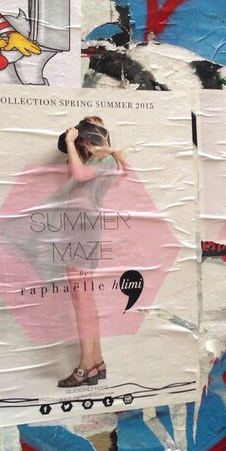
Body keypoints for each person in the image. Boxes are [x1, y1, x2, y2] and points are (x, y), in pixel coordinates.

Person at [56, 117, 128, 388]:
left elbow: (78, 176)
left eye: (80, 138)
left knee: (83, 301)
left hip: (82, 232)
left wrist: (69, 142)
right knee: (84, 299)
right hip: (79, 230)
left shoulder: (104, 161)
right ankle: (96, 361)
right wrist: (73, 149)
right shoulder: (96, 163)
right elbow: (75, 178)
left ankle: (86, 365)